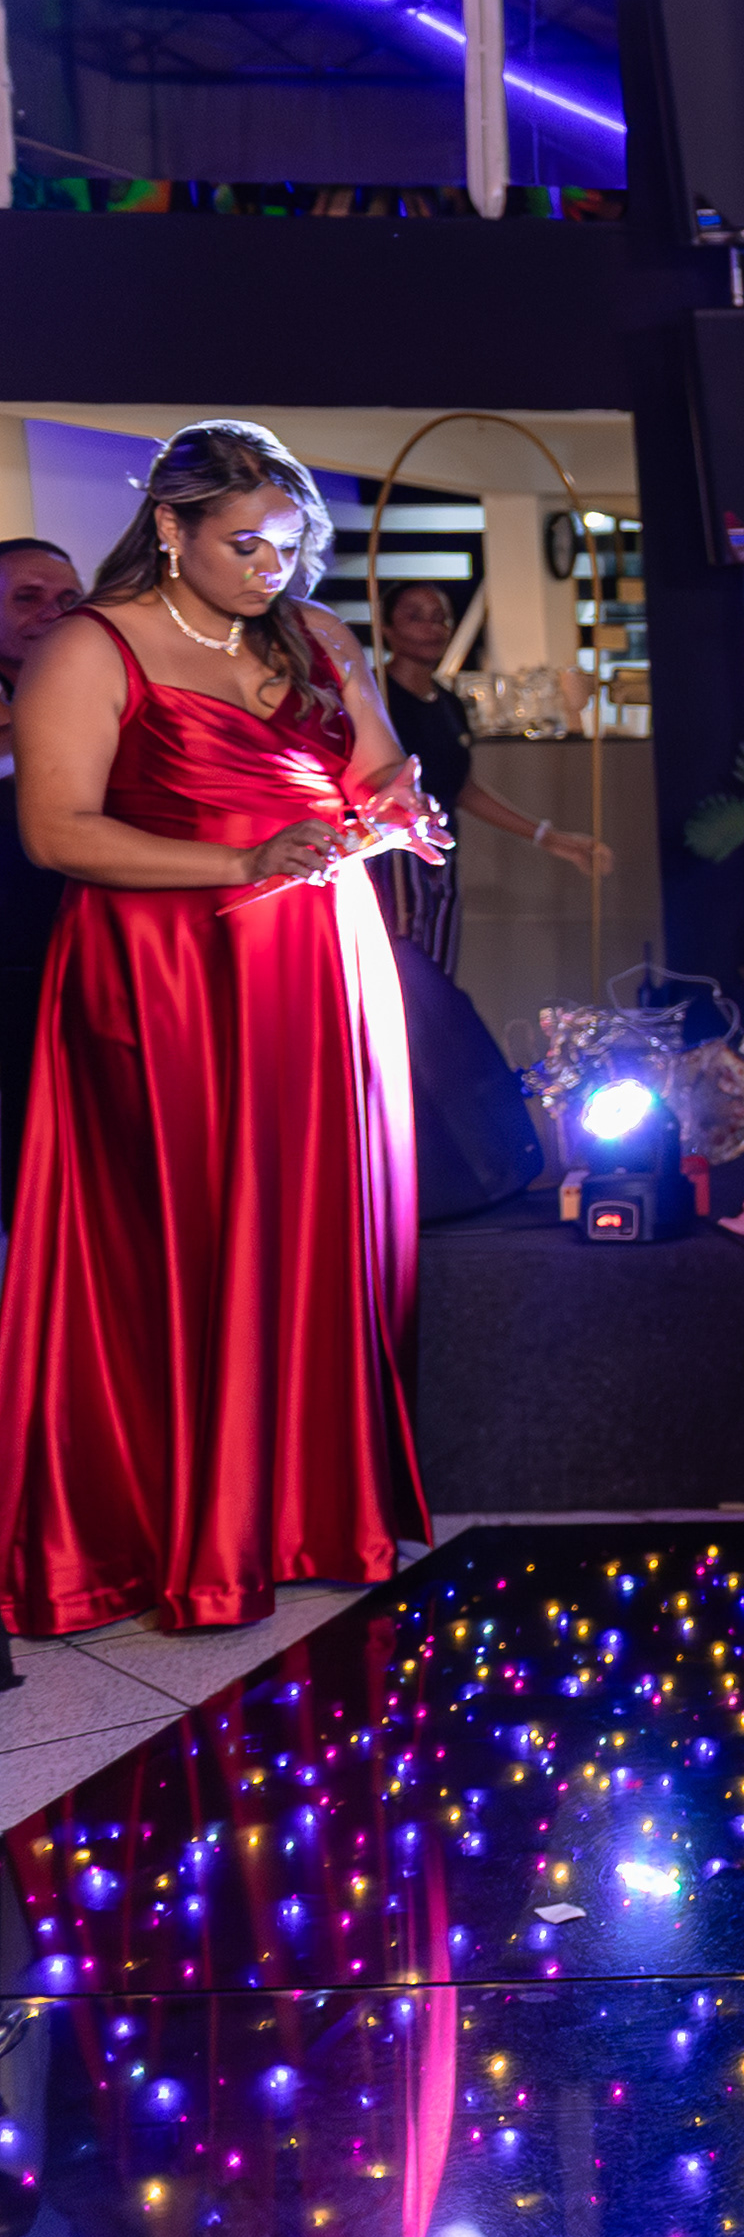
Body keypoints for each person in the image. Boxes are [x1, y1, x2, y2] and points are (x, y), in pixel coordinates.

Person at [0, 422, 438, 1634]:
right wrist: (243, 858)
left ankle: (306, 1512)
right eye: (246, 544)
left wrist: (400, 817)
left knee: (317, 1233)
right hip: (167, 976)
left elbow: (375, 774)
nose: (272, 569)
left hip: (320, 962)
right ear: (170, 527)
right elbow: (56, 832)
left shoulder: (316, 636)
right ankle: (174, 1534)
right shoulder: (89, 645)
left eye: (290, 546)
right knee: (175, 1244)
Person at [371, 579, 611, 976]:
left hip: (442, 858)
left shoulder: (448, 702)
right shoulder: (376, 697)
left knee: (439, 972)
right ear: (386, 628)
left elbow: (460, 787)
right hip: (392, 860)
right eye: (415, 617)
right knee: (400, 974)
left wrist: (549, 837)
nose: (431, 628)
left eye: (440, 618)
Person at [0, 539, 87, 1221]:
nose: (52, 614)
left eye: (68, 600)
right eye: (27, 598)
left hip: (82, 941)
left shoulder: (88, 687)